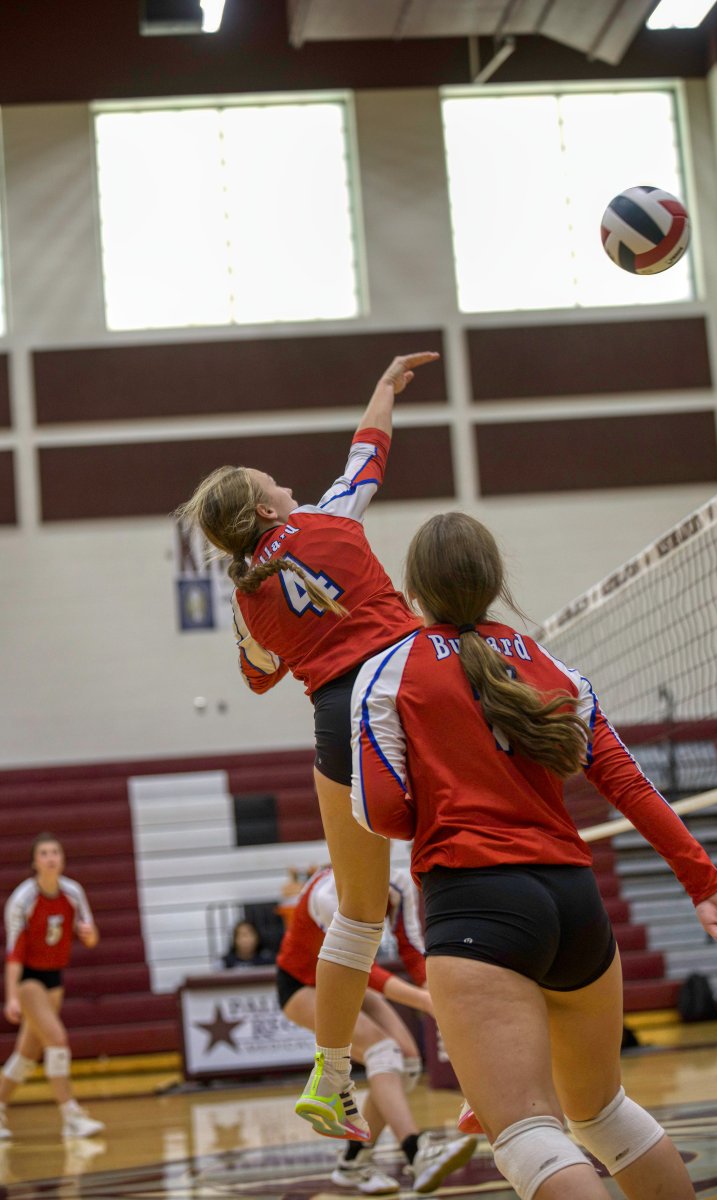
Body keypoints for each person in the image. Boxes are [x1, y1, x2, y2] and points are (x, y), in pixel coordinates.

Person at [322, 511, 717, 1199]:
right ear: (495, 582)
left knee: (528, 1135)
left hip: (476, 905)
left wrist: (444, 793)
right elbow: (631, 785)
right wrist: (706, 885)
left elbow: (382, 814)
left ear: (414, 591)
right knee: (605, 1115)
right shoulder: (552, 667)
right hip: (575, 905)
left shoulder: (387, 672)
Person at [175, 352, 439, 1138]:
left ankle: (329, 1075)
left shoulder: (247, 598)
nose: (290, 486)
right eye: (276, 484)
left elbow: (258, 678)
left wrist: (268, 628)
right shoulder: (328, 518)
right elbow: (368, 454)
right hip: (407, 689)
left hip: (336, 719)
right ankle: (484, 1055)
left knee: (356, 915)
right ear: (266, 509)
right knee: (452, 863)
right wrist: (383, 389)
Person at [276, 865, 476, 1194]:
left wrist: (434, 992)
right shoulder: (327, 897)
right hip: (302, 983)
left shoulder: (398, 883)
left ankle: (354, 1162)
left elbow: (412, 949)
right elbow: (357, 967)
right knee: (382, 1051)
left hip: (350, 975)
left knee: (407, 1062)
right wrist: (425, 1002)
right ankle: (416, 1151)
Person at [1, 834, 105, 1141]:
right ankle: (71, 1116)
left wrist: (89, 935)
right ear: (34, 862)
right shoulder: (23, 900)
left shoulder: (73, 892)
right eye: (44, 853)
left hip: (54, 978)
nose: (50, 858)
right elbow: (14, 953)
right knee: (57, 1039)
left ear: (62, 859)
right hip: (29, 978)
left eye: (55, 852)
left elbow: (91, 937)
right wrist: (11, 997)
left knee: (26, 1055)